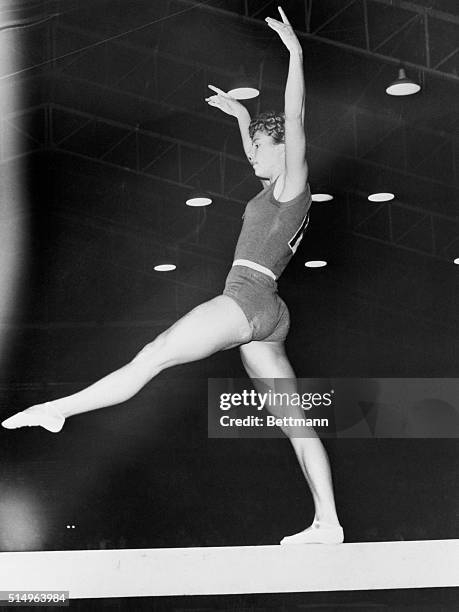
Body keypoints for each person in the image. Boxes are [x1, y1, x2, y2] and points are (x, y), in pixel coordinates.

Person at [2, 7, 343, 545]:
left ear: (283, 152)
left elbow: (294, 123)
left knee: (155, 354)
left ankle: (60, 411)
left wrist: (295, 55)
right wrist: (238, 118)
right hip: (269, 312)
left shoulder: (292, 182)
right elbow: (264, 145)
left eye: (260, 147)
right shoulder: (275, 193)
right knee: (295, 425)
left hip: (246, 297)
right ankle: (329, 523)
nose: (251, 155)